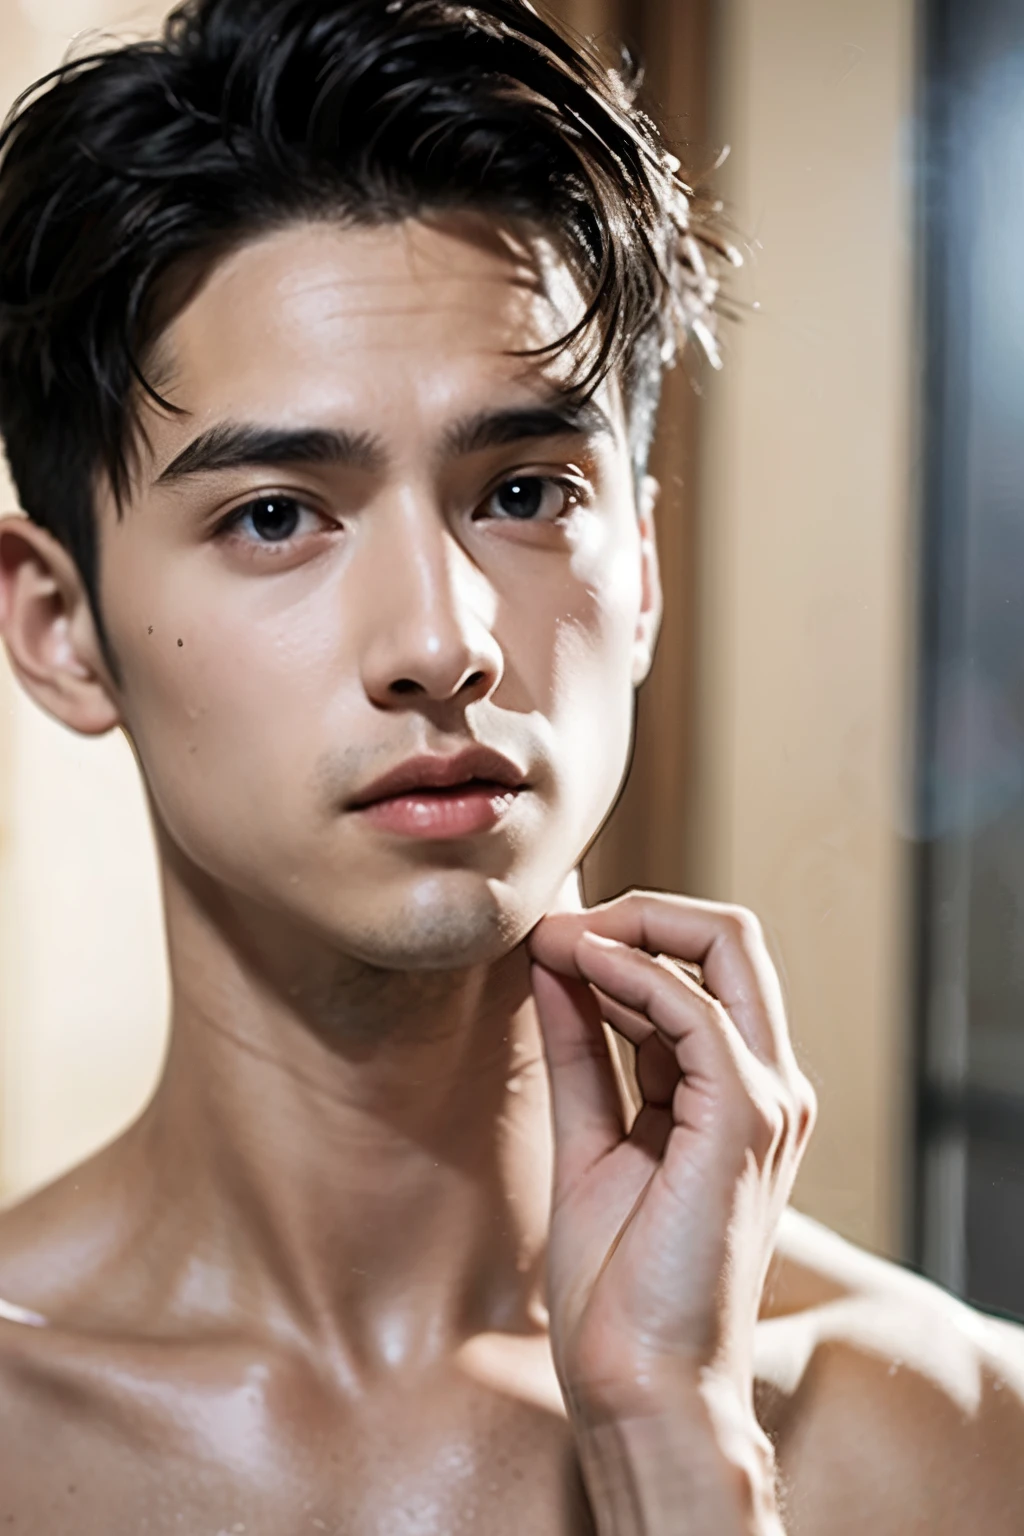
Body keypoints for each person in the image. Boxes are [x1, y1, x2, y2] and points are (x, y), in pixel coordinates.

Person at [0, 0, 1019, 1530]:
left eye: (527, 490)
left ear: (650, 568)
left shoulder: (959, 1441)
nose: (443, 636)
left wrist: (680, 1452)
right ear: (64, 630)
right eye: (277, 513)